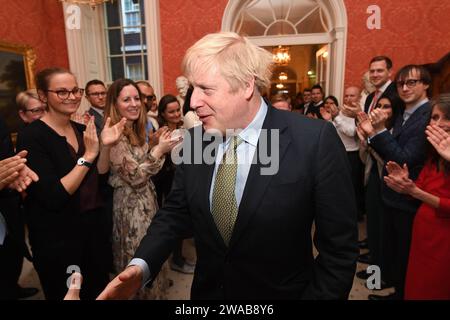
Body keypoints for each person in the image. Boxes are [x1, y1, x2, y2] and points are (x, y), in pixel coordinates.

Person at [98, 31, 358, 300]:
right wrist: (140, 266)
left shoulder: (314, 141)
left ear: (246, 85)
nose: (194, 101)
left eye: (206, 89)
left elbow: (339, 251)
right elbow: (175, 213)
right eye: (192, 89)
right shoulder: (197, 141)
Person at [16, 67, 126, 300]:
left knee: (99, 292)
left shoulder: (80, 129)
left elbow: (100, 175)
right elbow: (53, 195)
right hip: (58, 238)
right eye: (62, 92)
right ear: (43, 96)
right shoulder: (32, 136)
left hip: (92, 231)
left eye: (75, 90)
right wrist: (88, 156)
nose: (72, 96)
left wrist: (104, 146)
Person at [359, 65, 432, 300]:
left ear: (426, 85)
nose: (404, 88)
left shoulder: (428, 114)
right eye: (401, 83)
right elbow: (388, 151)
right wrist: (370, 135)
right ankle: (387, 284)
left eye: (412, 82)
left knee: (405, 253)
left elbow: (405, 160)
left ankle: (398, 291)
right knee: (388, 246)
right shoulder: (404, 114)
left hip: (409, 196)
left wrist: (378, 131)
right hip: (389, 189)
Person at [105, 79, 180, 299]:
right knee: (136, 260)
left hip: (147, 201)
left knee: (153, 253)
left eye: (137, 98)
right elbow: (136, 177)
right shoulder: (114, 135)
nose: (134, 103)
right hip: (130, 208)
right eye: (126, 99)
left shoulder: (135, 129)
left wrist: (154, 144)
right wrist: (159, 150)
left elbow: (145, 169)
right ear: (115, 104)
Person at [383, 94, 450, 299]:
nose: (440, 124)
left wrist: (415, 192)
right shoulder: (434, 154)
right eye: (435, 117)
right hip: (423, 234)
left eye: (447, 118)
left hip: (443, 239)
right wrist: (406, 183)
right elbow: (421, 186)